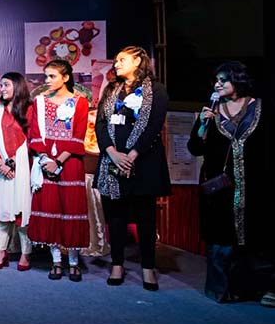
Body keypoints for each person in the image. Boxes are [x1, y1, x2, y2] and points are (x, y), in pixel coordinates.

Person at [188, 61, 273, 305]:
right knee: (221, 238)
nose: (218, 84)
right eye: (216, 80)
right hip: (221, 188)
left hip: (255, 185)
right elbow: (194, 149)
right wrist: (202, 124)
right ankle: (220, 289)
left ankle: (254, 288)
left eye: (223, 79)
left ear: (237, 80)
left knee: (254, 235)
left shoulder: (259, 108)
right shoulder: (212, 111)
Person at [95, 46, 170, 290]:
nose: (116, 64)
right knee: (115, 215)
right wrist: (112, 153)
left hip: (144, 162)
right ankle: (117, 264)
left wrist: (132, 155)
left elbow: (153, 126)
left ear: (138, 60)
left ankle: (148, 267)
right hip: (112, 161)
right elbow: (101, 125)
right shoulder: (110, 90)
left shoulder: (156, 90)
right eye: (116, 60)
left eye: (122, 60)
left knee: (145, 216)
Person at [27, 59, 90, 281]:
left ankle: (73, 262)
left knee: (70, 209)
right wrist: (46, 159)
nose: (47, 81)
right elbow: (34, 134)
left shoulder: (80, 102)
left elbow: (78, 136)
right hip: (46, 161)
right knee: (50, 207)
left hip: (70, 162)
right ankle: (55, 261)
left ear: (65, 77)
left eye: (52, 76)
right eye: (46, 76)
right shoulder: (40, 102)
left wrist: (59, 161)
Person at [0, 72, 34, 271]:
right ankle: (0, 253)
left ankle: (25, 254)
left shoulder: (29, 110)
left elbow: (33, 138)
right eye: (1, 85)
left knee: (23, 212)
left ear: (18, 87)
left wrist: (15, 161)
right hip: (0, 169)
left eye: (6, 85)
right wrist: (0, 162)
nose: (2, 89)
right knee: (2, 212)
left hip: (23, 169)